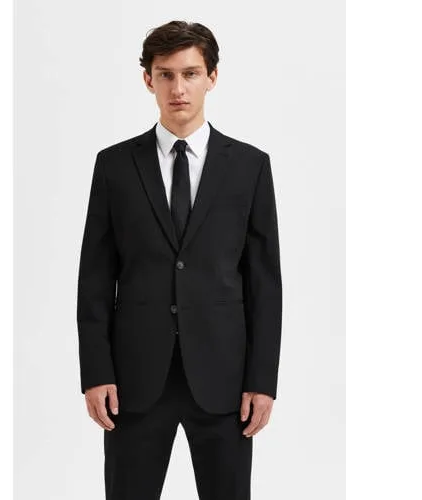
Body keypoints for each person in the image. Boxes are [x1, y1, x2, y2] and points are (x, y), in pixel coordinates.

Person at [77, 20, 282, 500]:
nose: (178, 88)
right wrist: (96, 372)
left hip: (225, 380)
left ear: (212, 77)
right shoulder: (114, 166)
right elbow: (95, 277)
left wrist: (262, 380)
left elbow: (264, 282)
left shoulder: (250, 166)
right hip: (134, 379)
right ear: (148, 80)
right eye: (165, 75)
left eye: (190, 74)